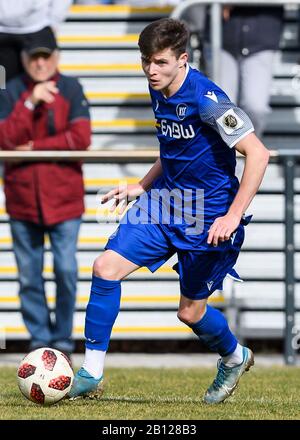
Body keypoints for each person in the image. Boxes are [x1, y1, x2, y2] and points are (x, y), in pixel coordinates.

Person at [68, 18, 269, 404]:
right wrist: (142, 186)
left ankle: (234, 355)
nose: (150, 70)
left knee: (190, 313)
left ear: (182, 59)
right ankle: (91, 371)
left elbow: (257, 154)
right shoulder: (157, 86)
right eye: (145, 61)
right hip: (166, 203)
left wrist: (232, 215)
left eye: (159, 62)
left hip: (208, 215)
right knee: (104, 268)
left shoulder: (207, 99)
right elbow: (172, 146)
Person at [0, 31, 91, 356]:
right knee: (29, 277)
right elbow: (5, 141)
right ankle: (40, 342)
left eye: (45, 56)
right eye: (34, 57)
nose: (40, 63)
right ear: (24, 59)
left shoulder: (71, 88)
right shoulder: (11, 92)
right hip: (23, 201)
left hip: (64, 201)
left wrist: (34, 148)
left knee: (66, 270)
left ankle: (63, 341)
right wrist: (30, 102)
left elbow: (80, 139)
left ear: (56, 56)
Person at [204, 5, 284, 138]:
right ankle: (231, 153)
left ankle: (248, 150)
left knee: (255, 107)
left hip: (261, 39)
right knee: (223, 108)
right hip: (221, 37)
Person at [0, 0, 72, 81]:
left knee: (44, 77)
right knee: (2, 83)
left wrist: (54, 20)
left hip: (38, 27)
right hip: (2, 31)